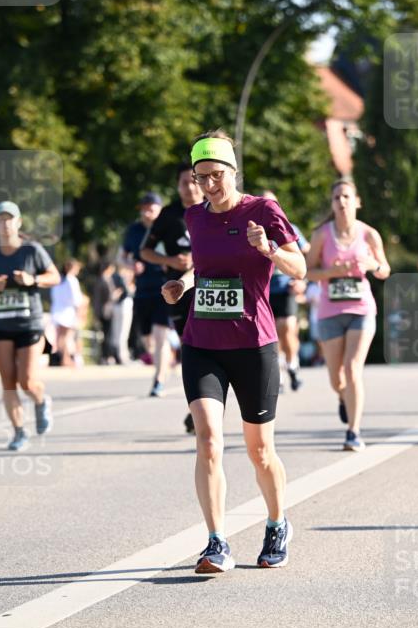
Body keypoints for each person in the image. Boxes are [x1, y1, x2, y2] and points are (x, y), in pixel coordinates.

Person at [162, 130, 306, 573]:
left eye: (216, 175)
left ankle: (277, 523)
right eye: (200, 177)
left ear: (233, 170)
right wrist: (183, 283)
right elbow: (203, 268)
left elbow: (300, 268)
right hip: (202, 342)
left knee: (260, 450)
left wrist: (267, 249)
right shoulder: (194, 217)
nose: (208, 185)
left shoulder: (263, 210)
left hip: (252, 343)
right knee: (208, 440)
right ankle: (216, 542)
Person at [305, 178, 390, 450]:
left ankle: (353, 431)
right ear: (332, 204)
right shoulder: (321, 235)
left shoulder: (369, 235)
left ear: (357, 202)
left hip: (361, 309)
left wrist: (372, 264)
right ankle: (343, 397)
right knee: (336, 379)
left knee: (353, 369)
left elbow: (385, 270)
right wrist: (332, 272)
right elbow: (307, 271)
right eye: (336, 198)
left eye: (346, 197)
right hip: (330, 311)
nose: (341, 202)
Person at [0, 201, 60, 451]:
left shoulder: (32, 250)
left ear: (18, 222)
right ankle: (19, 431)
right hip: (1, 325)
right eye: (0, 219)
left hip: (29, 324)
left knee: (27, 381)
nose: (5, 224)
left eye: (9, 219)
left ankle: (41, 400)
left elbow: (54, 277)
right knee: (8, 382)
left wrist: (32, 279)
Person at [141, 164, 203, 424]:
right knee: (190, 349)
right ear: (177, 186)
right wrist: (169, 260)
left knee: (210, 349)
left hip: (211, 290)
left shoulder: (213, 209)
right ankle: (197, 408)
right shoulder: (169, 215)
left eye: (193, 181)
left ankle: (204, 407)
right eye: (183, 182)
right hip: (178, 291)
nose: (189, 187)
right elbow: (145, 251)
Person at [261, 190, 310, 392]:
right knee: (271, 334)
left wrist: (304, 282)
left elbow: (308, 255)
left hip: (286, 288)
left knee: (287, 329)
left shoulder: (289, 227)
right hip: (263, 290)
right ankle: (279, 374)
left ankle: (292, 364)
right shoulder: (253, 229)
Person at [120, 192, 164, 364]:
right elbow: (121, 257)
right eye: (143, 209)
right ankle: (156, 360)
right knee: (147, 336)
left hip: (165, 287)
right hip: (142, 289)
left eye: (150, 209)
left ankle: (159, 375)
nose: (146, 213)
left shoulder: (168, 228)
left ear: (160, 209)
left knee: (160, 332)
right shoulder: (134, 230)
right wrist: (131, 265)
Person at [50, 259, 84, 366]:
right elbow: (76, 299)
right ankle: (65, 359)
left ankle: (63, 358)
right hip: (67, 312)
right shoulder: (71, 280)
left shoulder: (59, 280)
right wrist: (79, 313)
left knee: (60, 337)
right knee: (65, 337)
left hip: (57, 311)